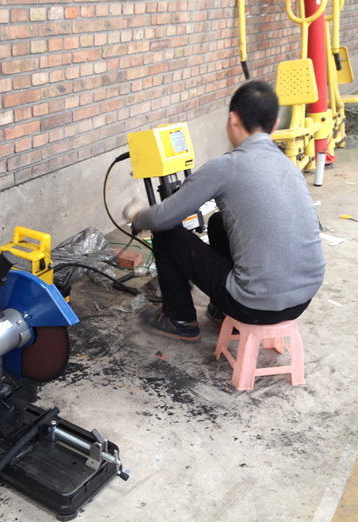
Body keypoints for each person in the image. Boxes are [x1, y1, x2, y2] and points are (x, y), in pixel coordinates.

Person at [123, 80, 326, 343]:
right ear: (275, 125)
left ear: (233, 119)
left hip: (255, 305)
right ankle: (221, 309)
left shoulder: (227, 166)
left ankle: (180, 320)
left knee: (165, 234)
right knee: (219, 222)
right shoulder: (288, 166)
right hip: (302, 299)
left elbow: (162, 217)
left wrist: (137, 215)